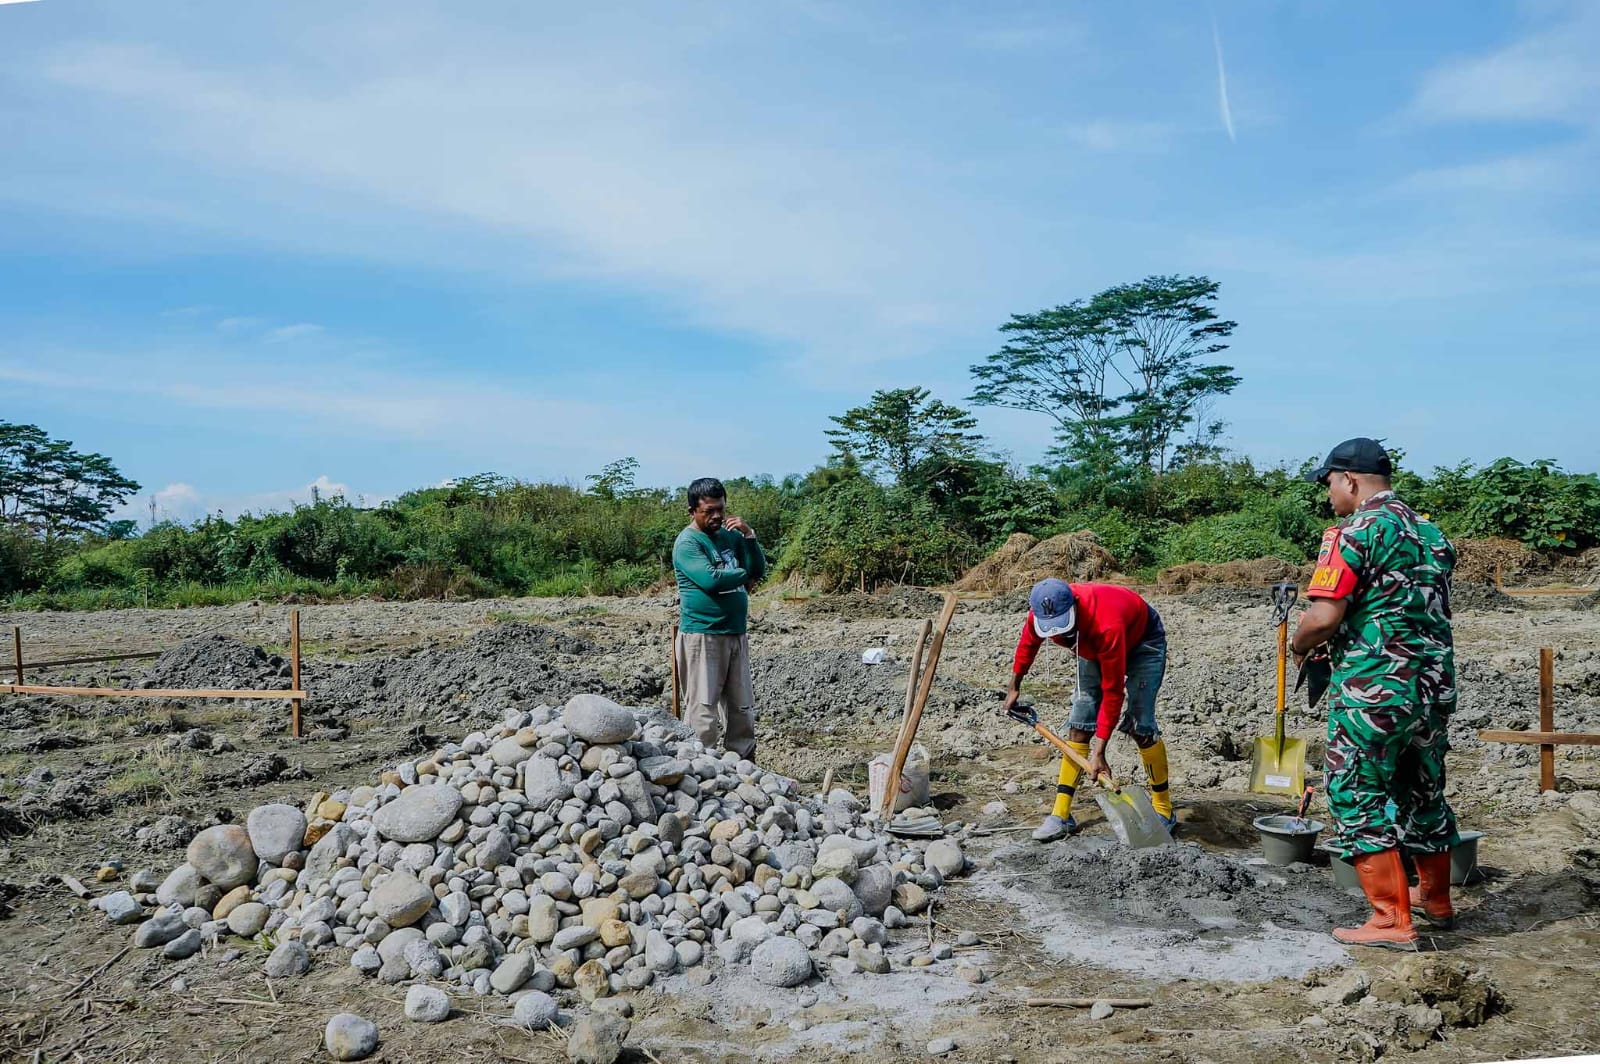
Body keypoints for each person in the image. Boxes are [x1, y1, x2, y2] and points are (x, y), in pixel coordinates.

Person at [1293, 437, 1459, 950]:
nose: (1328, 497)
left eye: (1328, 485)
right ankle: (1437, 901)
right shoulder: (1432, 534)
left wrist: (1298, 645)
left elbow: (1323, 617)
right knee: (1422, 789)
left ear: (1349, 480)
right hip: (1432, 687)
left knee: (1353, 791)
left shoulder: (1353, 532)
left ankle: (1390, 919)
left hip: (1374, 688)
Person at [1000, 578, 1174, 841]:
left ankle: (1163, 809)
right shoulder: (1041, 612)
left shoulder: (1107, 624)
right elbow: (1028, 643)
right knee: (1079, 722)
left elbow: (1113, 691)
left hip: (1143, 642)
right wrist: (1015, 685)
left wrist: (1099, 752)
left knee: (1141, 724)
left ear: (1074, 607)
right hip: (1089, 643)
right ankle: (1061, 815)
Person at [673, 477, 766, 760]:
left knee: (741, 707)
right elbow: (711, 580)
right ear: (692, 511)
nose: (716, 516)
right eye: (709, 511)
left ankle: (744, 763)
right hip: (704, 634)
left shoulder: (730, 535)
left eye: (720, 510)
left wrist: (749, 537)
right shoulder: (688, 543)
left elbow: (758, 567)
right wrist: (744, 574)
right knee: (703, 709)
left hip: (735, 632)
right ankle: (701, 766)